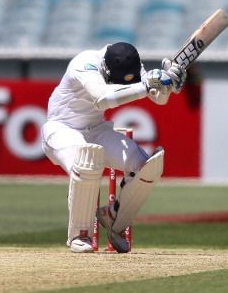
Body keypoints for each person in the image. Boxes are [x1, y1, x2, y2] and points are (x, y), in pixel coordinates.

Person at [40, 42, 186, 253]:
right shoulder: (85, 63)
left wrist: (168, 84)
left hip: (97, 130)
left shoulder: (131, 63)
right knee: (86, 160)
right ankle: (80, 235)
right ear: (107, 71)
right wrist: (147, 85)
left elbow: (158, 98)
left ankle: (113, 218)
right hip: (61, 129)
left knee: (144, 165)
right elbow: (103, 99)